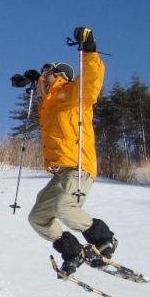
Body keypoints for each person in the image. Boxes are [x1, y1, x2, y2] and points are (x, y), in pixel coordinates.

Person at [27, 27, 117, 275]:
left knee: (64, 208)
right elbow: (45, 90)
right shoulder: (49, 102)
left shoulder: (75, 92)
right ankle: (73, 252)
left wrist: (89, 49)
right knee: (38, 217)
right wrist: (31, 81)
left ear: (60, 75)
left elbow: (92, 77)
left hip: (79, 165)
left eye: (49, 73)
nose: (44, 76)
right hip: (60, 171)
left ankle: (104, 239)